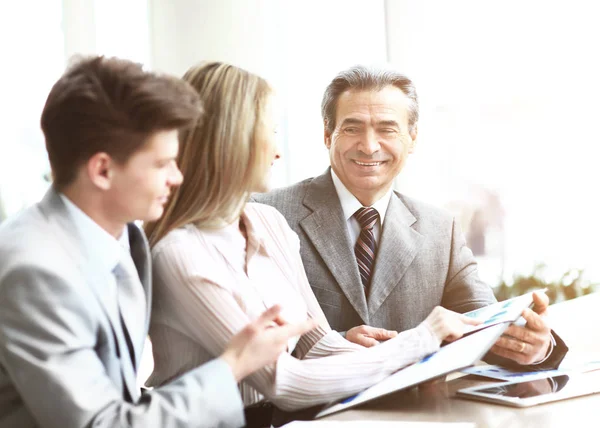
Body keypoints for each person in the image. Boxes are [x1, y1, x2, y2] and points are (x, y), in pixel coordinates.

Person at [143, 61, 480, 426]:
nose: (277, 151)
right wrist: (420, 341)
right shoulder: (180, 253)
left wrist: (414, 353)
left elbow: (317, 345)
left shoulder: (266, 222)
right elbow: (283, 382)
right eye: (269, 131)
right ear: (231, 140)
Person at [0, 56, 316, 428]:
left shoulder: (125, 238)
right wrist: (234, 364)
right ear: (102, 170)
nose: (177, 177)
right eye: (162, 164)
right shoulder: (35, 271)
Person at [252, 65, 568, 369]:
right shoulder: (265, 214)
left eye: (387, 129)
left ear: (413, 138)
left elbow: (483, 327)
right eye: (352, 128)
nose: (369, 146)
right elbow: (244, 336)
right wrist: (336, 345)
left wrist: (536, 346)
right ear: (327, 135)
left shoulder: (441, 230)